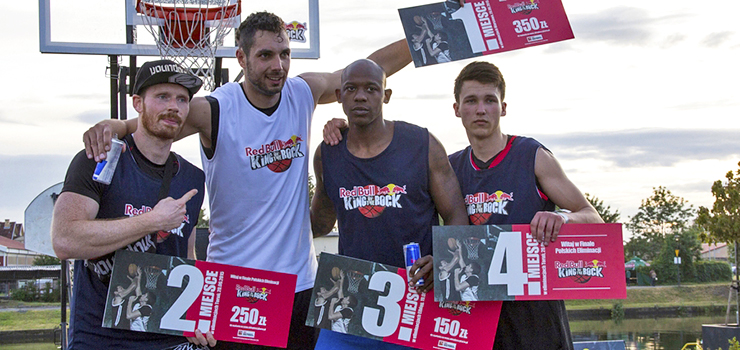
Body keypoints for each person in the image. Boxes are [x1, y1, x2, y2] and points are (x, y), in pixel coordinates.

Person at [82, 11, 413, 350]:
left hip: (300, 284)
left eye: (284, 54)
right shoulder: (217, 109)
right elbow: (157, 122)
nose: (278, 65)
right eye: (265, 55)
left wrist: (426, 30)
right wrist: (116, 126)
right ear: (241, 57)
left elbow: (366, 69)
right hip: (236, 288)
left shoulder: (303, 92)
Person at [52, 59, 210, 349]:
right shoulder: (100, 159)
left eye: (182, 99)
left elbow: (186, 255)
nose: (174, 106)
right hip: (102, 337)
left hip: (167, 336)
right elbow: (64, 239)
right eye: (162, 97)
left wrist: (194, 315)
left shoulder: (192, 177)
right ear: (137, 103)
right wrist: (152, 221)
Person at [311, 59, 468, 349]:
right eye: (351, 88)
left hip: (413, 301)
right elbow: (320, 222)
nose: (360, 96)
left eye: (371, 88)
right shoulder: (327, 154)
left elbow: (456, 213)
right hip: (348, 301)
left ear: (386, 95)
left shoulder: (422, 144)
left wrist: (444, 261)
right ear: (338, 96)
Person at [447, 61, 603, 349]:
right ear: (457, 109)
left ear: (503, 108)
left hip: (537, 318)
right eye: (471, 100)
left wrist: (564, 219)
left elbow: (593, 217)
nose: (481, 109)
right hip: (477, 316)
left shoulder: (533, 156)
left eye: (489, 100)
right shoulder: (450, 167)